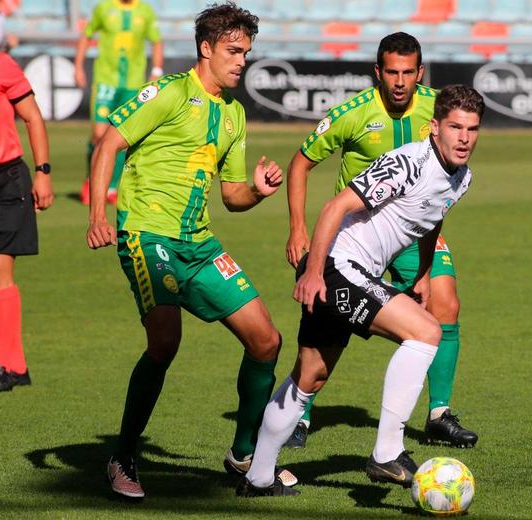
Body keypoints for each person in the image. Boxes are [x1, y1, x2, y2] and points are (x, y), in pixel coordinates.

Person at [86, 3, 295, 499]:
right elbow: (108, 145)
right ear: (206, 49)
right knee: (165, 344)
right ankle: (123, 456)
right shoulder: (170, 93)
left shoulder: (234, 114)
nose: (242, 60)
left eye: (247, 52)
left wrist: (259, 192)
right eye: (233, 50)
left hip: (199, 244)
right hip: (147, 235)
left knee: (266, 341)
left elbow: (232, 196)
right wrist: (98, 214)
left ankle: (243, 456)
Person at [239, 85, 484, 497]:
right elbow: (335, 208)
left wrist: (423, 272)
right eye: (455, 127)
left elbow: (433, 217)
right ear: (434, 127)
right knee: (426, 332)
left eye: (472, 129)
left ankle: (257, 477)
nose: (464, 138)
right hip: (336, 266)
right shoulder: (407, 163)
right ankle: (387, 451)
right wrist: (313, 272)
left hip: (349, 271)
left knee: (310, 376)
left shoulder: (461, 177)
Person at [283, 32, 477, 450]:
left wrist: (424, 271)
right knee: (326, 325)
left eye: (408, 72)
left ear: (420, 72)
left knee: (446, 301)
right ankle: (299, 413)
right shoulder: (352, 113)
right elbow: (300, 163)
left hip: (412, 234)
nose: (401, 81)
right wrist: (298, 227)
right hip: (358, 237)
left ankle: (439, 414)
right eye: (392, 72)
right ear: (378, 72)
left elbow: (442, 195)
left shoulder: (439, 108)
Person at [0, 50, 54, 392]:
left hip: (6, 180)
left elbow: (32, 117)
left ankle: (3, 365)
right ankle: (14, 364)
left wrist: (43, 173)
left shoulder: (0, 66)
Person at [74, 0, 163, 205]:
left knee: (123, 137)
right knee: (98, 134)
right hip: (106, 80)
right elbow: (86, 35)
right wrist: (78, 66)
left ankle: (112, 187)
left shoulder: (145, 11)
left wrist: (156, 70)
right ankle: (92, 181)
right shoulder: (104, 7)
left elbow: (156, 41)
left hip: (133, 83)